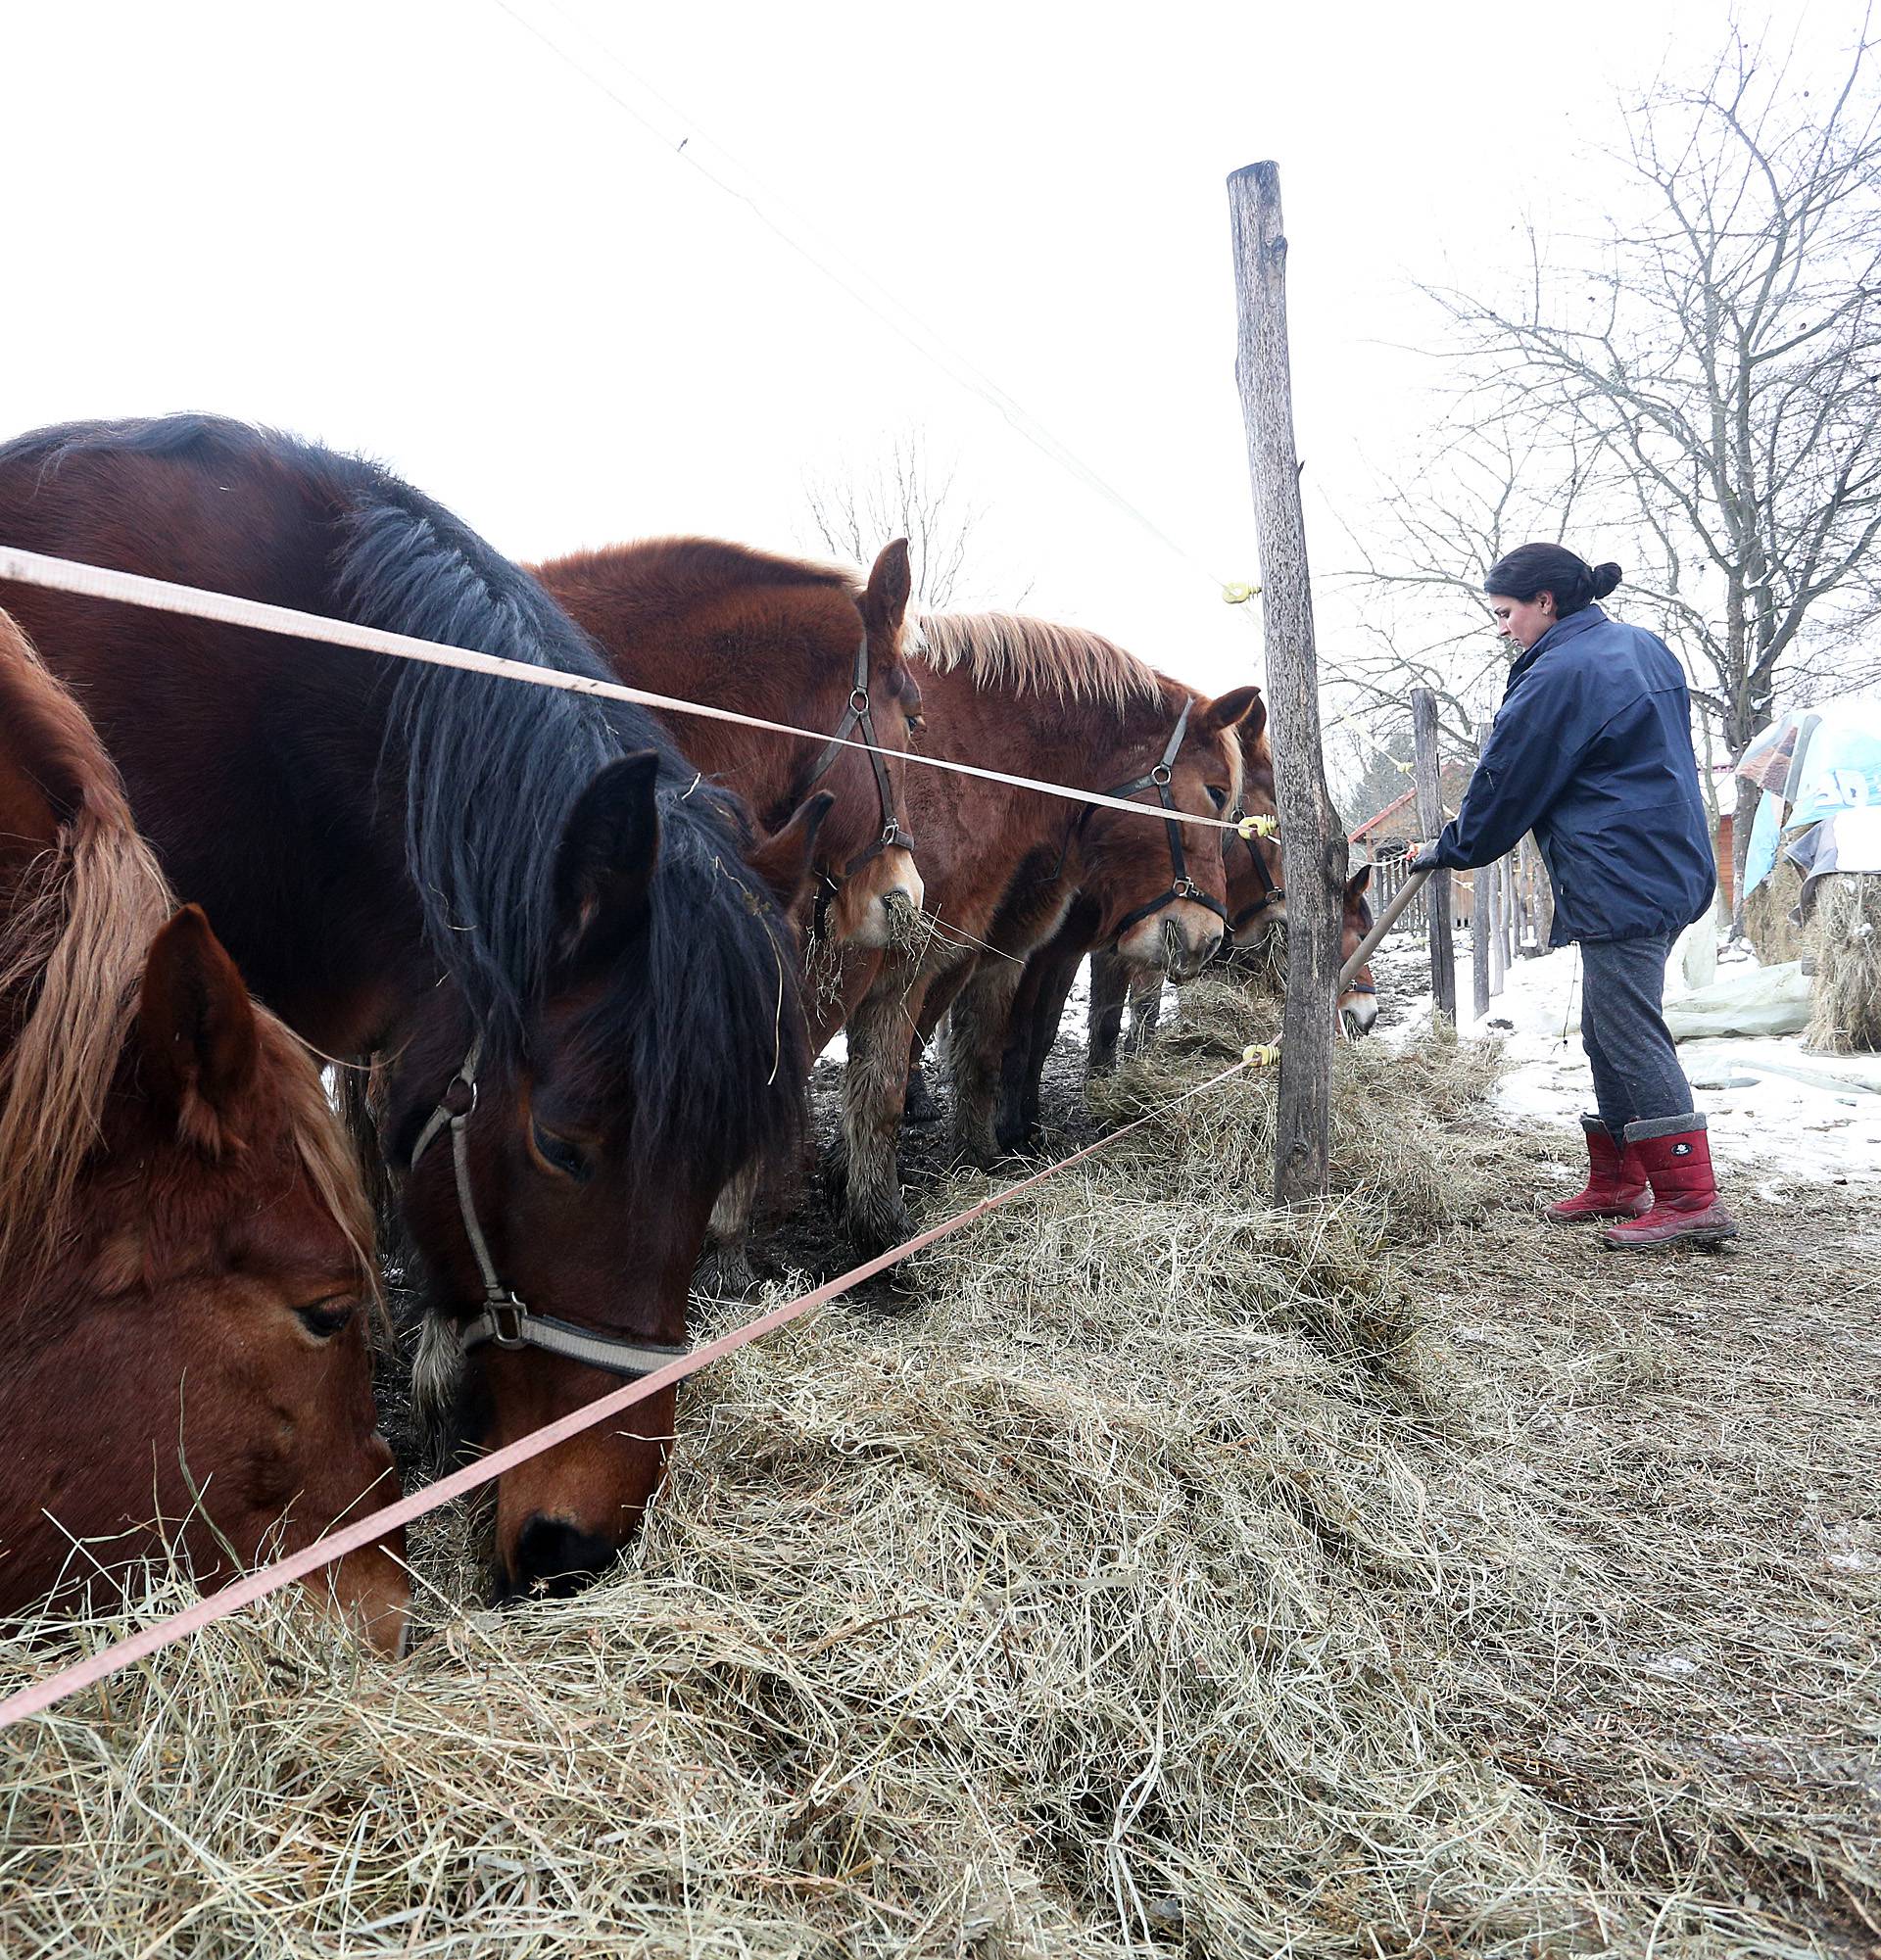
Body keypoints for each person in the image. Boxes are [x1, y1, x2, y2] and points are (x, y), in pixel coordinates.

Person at [1409, 545, 1736, 1250]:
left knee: (1626, 1027)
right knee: (1605, 1025)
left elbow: (1506, 782)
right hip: (1667, 858)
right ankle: (1621, 1180)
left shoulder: (1560, 670)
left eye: (1506, 613)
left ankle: (1689, 1198)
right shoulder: (1641, 646)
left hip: (1624, 870)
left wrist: (1449, 846)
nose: (1502, 628)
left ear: (1546, 602)